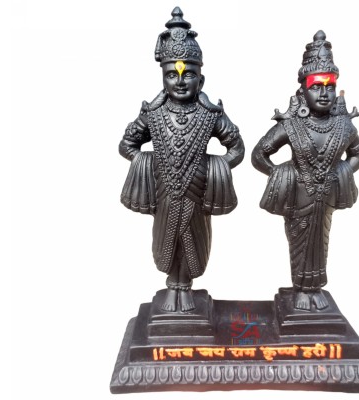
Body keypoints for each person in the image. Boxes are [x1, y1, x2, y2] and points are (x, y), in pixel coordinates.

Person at [119, 8, 244, 312]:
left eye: (188, 74)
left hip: (197, 192)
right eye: (171, 74)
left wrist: (215, 169)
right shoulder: (153, 113)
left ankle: (185, 286)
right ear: (162, 77)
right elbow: (127, 144)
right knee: (167, 240)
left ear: (201, 79)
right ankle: (172, 286)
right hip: (164, 192)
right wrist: (147, 164)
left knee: (192, 240)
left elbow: (237, 148)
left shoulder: (210, 114)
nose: (179, 81)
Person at [252, 31, 359, 311]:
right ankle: (301, 289)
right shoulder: (291, 126)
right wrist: (283, 176)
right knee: (300, 241)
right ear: (303, 92)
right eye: (316, 87)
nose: (324, 93)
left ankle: (315, 289)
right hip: (298, 196)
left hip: (326, 196)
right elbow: (259, 154)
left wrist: (342, 172)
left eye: (330, 87)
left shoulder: (343, 126)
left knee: (321, 241)